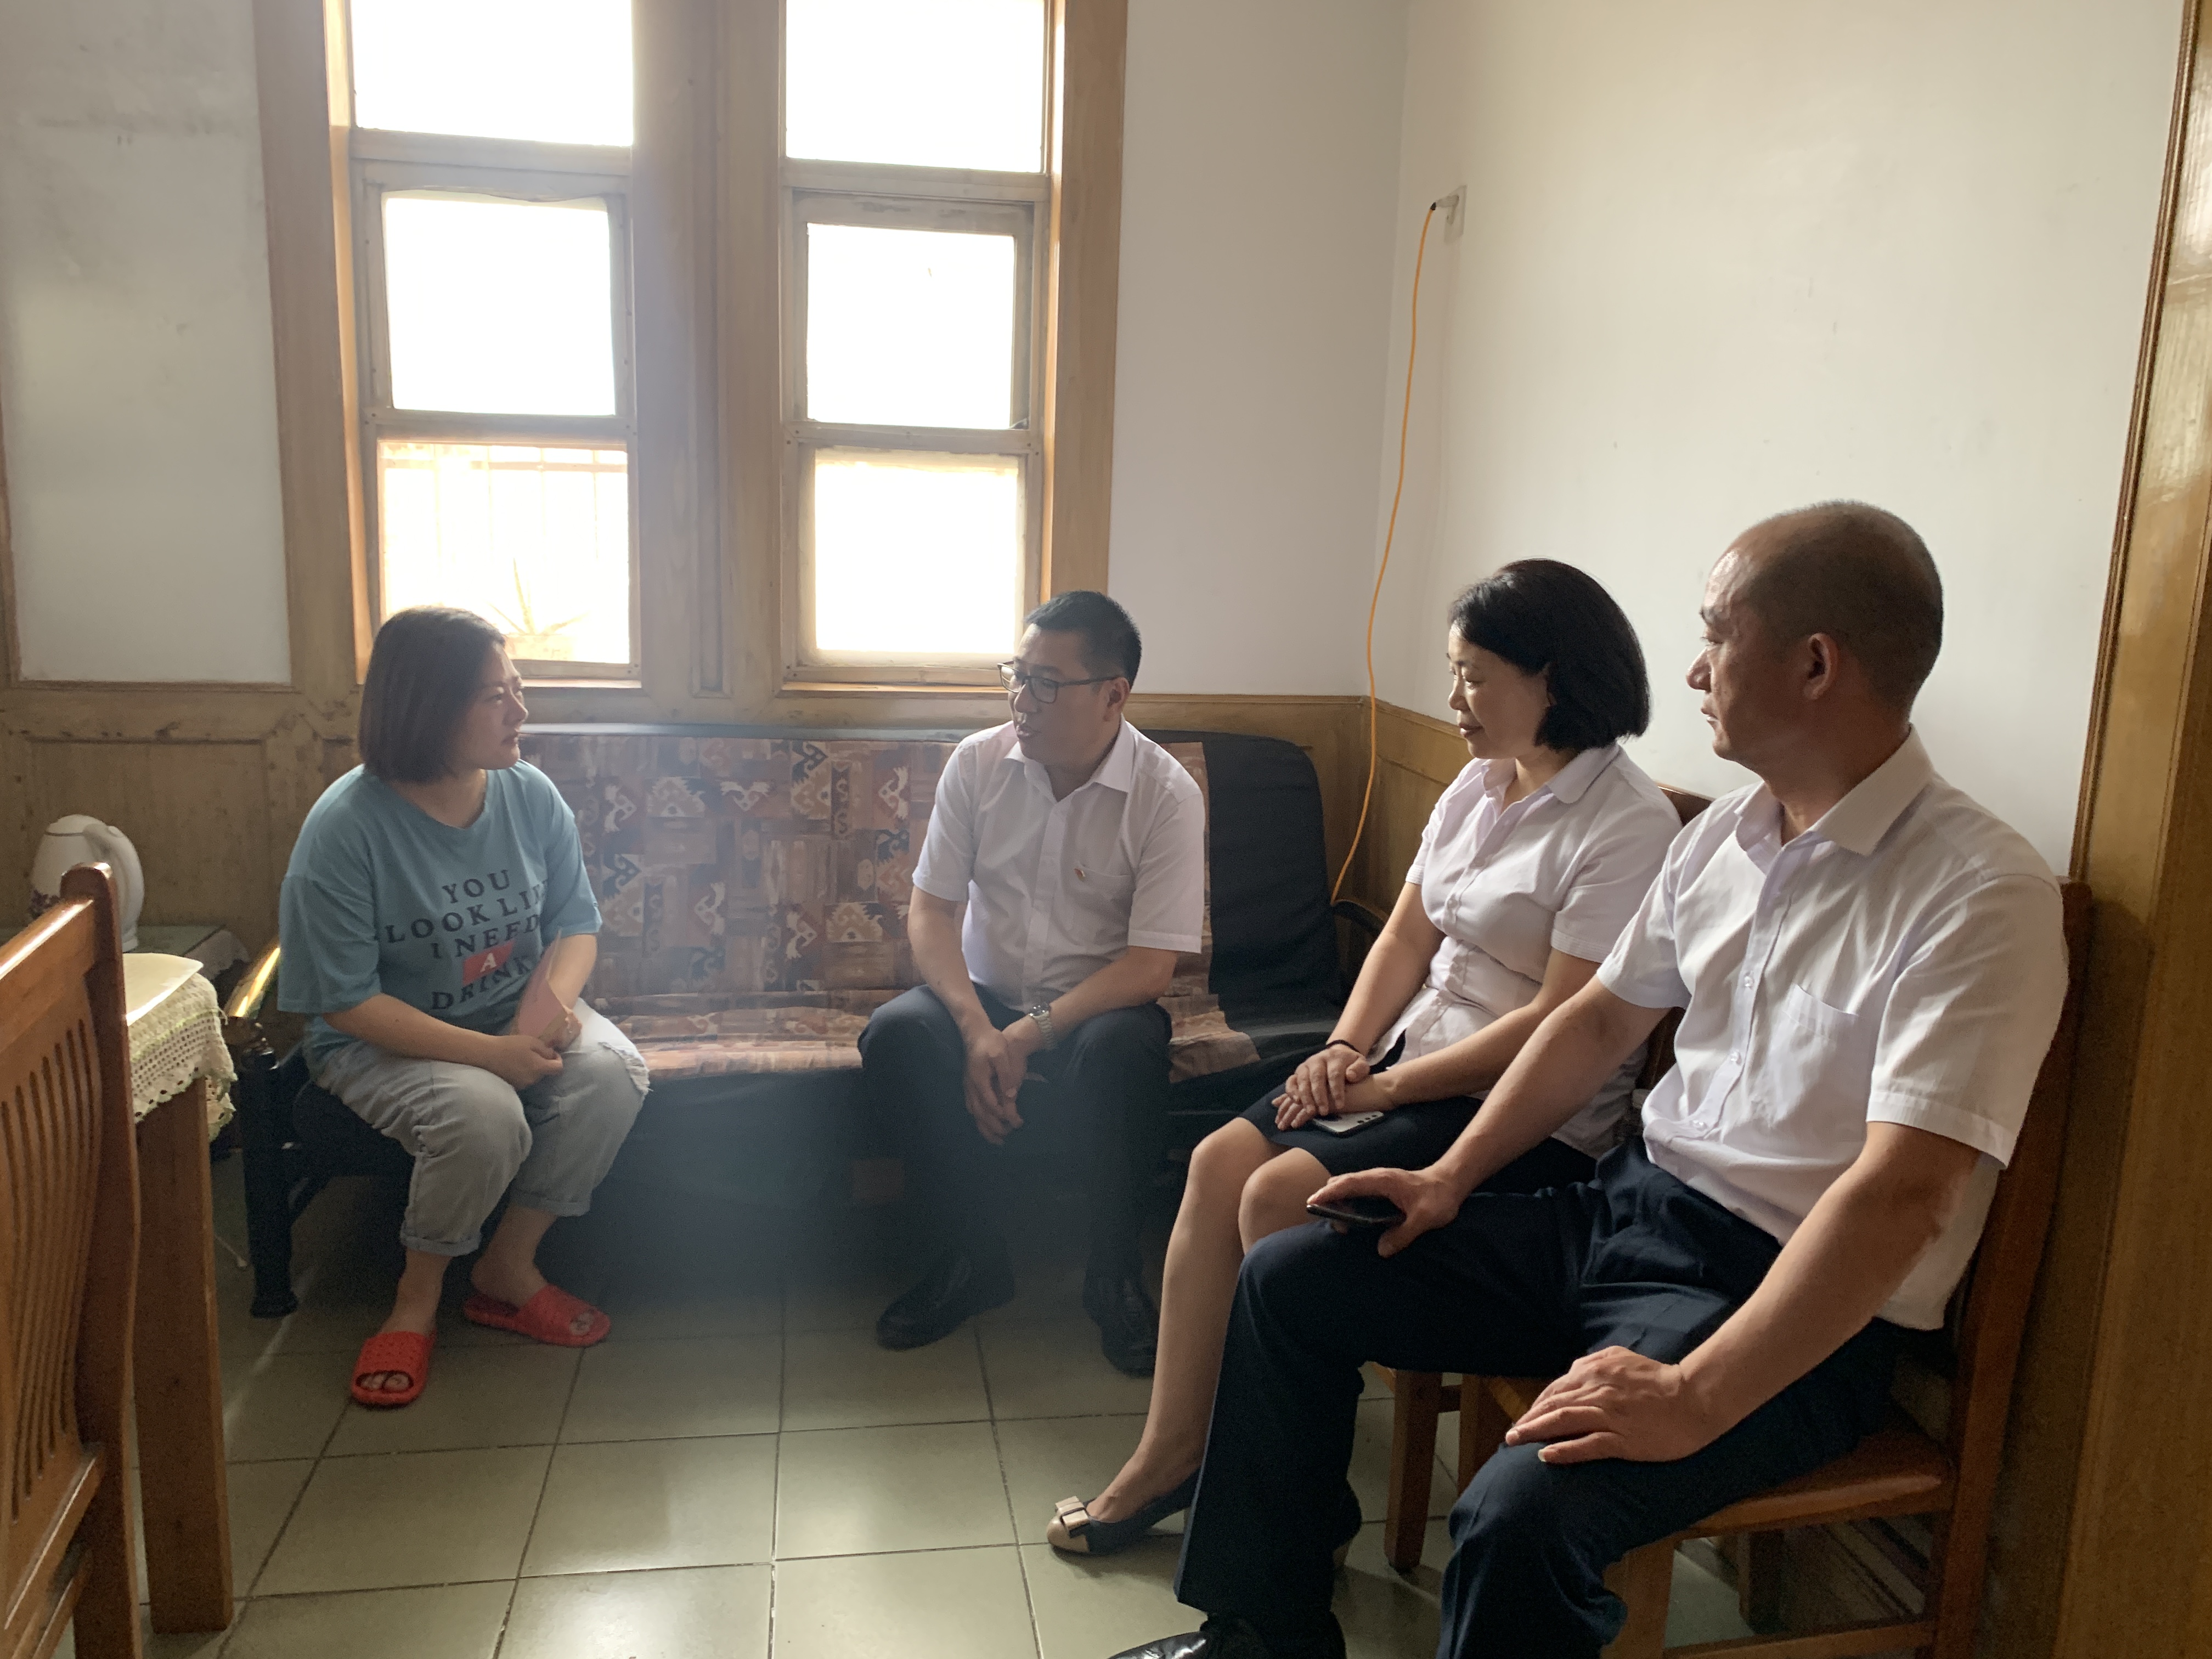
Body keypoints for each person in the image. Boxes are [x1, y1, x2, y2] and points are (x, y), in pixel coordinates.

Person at [1111, 503, 2070, 1659]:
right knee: (1291, 1276)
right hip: (1624, 1215)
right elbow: (1599, 1020)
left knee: (1520, 1516)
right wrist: (1451, 1179)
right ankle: (1263, 1636)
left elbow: (1906, 1192)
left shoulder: (1978, 893)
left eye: (1717, 633)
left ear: (1817, 664)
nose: (1695, 669)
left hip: (1779, 1297)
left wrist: (1696, 1395)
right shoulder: (1724, 840)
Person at [1046, 561, 1680, 1555]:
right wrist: (1347, 1045)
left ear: (1552, 679)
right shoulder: (1478, 784)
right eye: (1452, 672)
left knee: (1276, 1196)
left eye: (1475, 676)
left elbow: (1559, 1020)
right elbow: (1406, 937)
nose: (1455, 699)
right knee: (1217, 1162)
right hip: (1404, 1058)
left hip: (1523, 1116)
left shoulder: (1628, 823)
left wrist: (1384, 1083)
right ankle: (1173, 1453)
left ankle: (1301, 1503)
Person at [279, 607, 647, 1409]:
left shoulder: (529, 793)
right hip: (383, 1041)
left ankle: (507, 1265)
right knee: (485, 1115)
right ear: (427, 710)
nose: (521, 712)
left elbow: (576, 926)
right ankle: (415, 1302)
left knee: (613, 1074)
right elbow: (345, 1003)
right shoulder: (344, 830)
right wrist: (492, 1055)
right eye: (494, 697)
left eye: (517, 688)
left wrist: (540, 1016)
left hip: (509, 1016)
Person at [860, 591, 1205, 1374]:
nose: (1022, 699)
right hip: (983, 995)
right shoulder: (977, 763)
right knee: (898, 1035)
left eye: (1047, 683)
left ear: (1113, 695)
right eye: (1017, 675)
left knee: (1125, 1052)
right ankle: (971, 1258)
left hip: (1098, 1005)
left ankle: (1113, 1274)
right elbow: (931, 912)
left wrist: (1030, 1032)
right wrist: (977, 1028)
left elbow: (1151, 966)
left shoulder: (1166, 795)